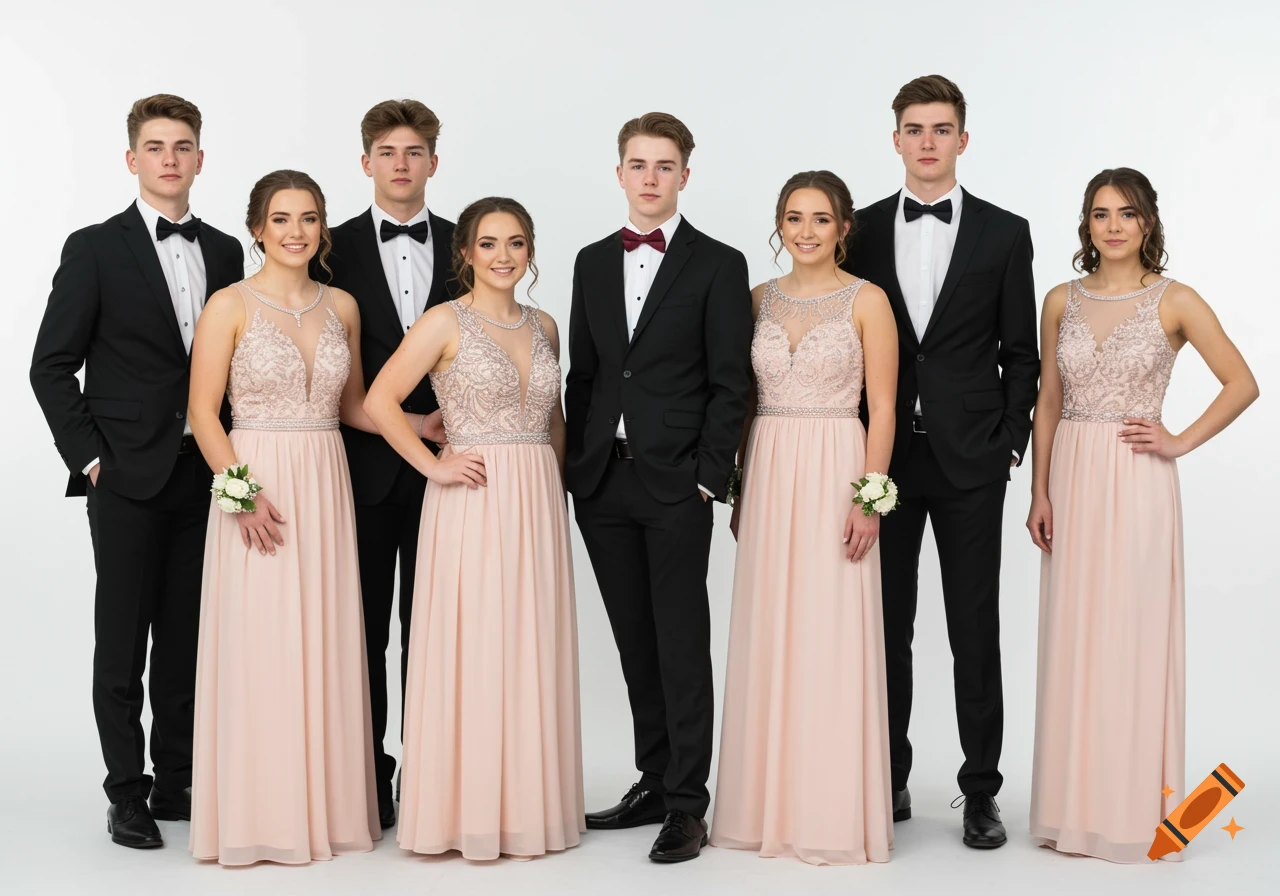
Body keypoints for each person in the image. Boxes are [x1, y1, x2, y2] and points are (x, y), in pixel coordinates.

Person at [187, 170, 424, 864]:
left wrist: (419, 424)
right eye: (282, 219)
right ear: (257, 227)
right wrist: (239, 494)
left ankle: (323, 806)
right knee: (260, 641)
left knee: (323, 638)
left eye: (309, 219)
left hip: (326, 479)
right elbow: (203, 412)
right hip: (255, 474)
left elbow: (352, 407)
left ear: (322, 228)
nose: (296, 232)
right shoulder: (228, 306)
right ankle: (259, 813)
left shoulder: (342, 306)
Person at [29, 94, 243, 849]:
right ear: (132, 159)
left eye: (182, 146)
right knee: (122, 641)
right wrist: (92, 460)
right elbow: (50, 367)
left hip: (206, 474)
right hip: (123, 475)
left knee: (187, 638)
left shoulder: (225, 250)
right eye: (155, 147)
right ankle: (126, 793)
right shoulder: (92, 247)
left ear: (200, 158)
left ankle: (178, 779)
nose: (170, 159)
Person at [1027, 168, 1258, 863]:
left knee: (1129, 636)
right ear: (1086, 225)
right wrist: (1039, 491)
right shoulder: (1059, 300)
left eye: (1127, 213)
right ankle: (1071, 810)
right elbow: (1048, 397)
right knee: (1075, 636)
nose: (1114, 225)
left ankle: (1133, 812)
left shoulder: (1176, 299)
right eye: (1101, 214)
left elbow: (1243, 382)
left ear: (1149, 222)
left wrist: (1180, 439)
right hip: (1070, 472)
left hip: (1137, 481)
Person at [840, 74, 1039, 848]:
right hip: (883, 462)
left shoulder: (1003, 231)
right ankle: (886, 779)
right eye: (914, 129)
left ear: (963, 138)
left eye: (941, 128)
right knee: (883, 627)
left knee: (973, 628)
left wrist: (1009, 443)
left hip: (971, 461)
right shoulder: (855, 228)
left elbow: (1020, 353)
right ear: (896, 140)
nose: (928, 141)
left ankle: (980, 790)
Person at [366, 197, 584, 861]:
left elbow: (553, 419)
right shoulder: (443, 321)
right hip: (472, 497)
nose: (502, 256)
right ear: (465, 253)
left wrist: (560, 485)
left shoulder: (545, 323)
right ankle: (462, 811)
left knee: (530, 642)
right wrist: (435, 463)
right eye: (488, 244)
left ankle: (527, 804)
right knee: (476, 640)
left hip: (537, 499)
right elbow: (380, 401)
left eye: (515, 243)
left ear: (530, 251)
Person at [564, 112, 753, 863]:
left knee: (680, 643)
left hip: (678, 484)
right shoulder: (587, 260)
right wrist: (579, 467)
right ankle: (652, 779)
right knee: (634, 642)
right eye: (638, 165)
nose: (650, 177)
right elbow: (587, 374)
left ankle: (688, 804)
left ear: (684, 175)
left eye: (664, 165)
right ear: (620, 174)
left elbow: (730, 382)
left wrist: (710, 480)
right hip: (603, 482)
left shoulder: (717, 263)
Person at [710, 171, 898, 864]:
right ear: (780, 225)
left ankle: (829, 809)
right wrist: (736, 488)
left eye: (822, 219)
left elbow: (882, 409)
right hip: (768, 471)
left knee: (829, 629)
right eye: (795, 218)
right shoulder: (755, 299)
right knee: (770, 628)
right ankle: (766, 806)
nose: (807, 231)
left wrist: (870, 500)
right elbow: (739, 403)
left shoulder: (867, 301)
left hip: (835, 466)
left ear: (844, 227)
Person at [317, 99, 457, 829]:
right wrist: (397, 421)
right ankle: (369, 775)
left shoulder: (477, 244)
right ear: (365, 162)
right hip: (362, 472)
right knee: (364, 630)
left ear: (434, 161)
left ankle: (433, 778)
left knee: (437, 631)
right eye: (388, 152)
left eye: (415, 151)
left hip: (456, 476)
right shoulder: (326, 248)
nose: (401, 165)